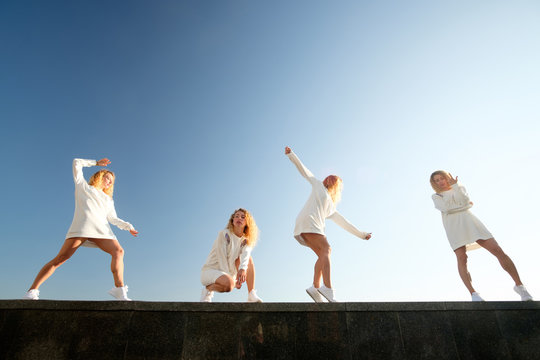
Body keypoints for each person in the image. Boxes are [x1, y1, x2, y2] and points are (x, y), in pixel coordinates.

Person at [23, 158, 138, 301]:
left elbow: (113, 218)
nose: (109, 182)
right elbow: (76, 162)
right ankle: (32, 291)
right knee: (60, 259)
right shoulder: (83, 187)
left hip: (102, 230)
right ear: (99, 177)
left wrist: (128, 227)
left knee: (119, 251)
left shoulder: (108, 200)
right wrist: (96, 163)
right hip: (82, 228)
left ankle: (119, 290)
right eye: (107, 178)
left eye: (111, 181)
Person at [430, 170, 533, 301]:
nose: (440, 182)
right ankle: (474, 293)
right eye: (436, 180)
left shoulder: (459, 187)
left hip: (471, 222)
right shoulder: (436, 196)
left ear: (447, 177)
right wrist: (465, 206)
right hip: (453, 228)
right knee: (462, 258)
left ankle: (520, 287)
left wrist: (457, 189)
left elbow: (464, 200)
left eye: (442, 178)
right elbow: (447, 209)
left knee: (497, 250)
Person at [285, 146, 371, 302]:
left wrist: (362, 234)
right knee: (327, 249)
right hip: (309, 223)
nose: (329, 178)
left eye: (333, 178)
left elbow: (345, 223)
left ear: (336, 186)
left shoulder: (331, 206)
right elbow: (305, 172)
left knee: (322, 256)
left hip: (309, 226)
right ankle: (328, 288)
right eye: (328, 176)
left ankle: (315, 287)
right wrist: (292, 155)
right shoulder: (318, 185)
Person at [200, 208, 263, 303]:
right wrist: (232, 280)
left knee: (248, 259)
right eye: (236, 216)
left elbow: (245, 256)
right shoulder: (224, 234)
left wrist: (242, 271)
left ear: (246, 222)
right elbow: (222, 258)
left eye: (243, 217)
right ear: (232, 221)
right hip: (211, 270)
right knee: (229, 285)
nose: (239, 218)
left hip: (228, 273)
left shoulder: (246, 240)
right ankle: (208, 290)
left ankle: (251, 294)